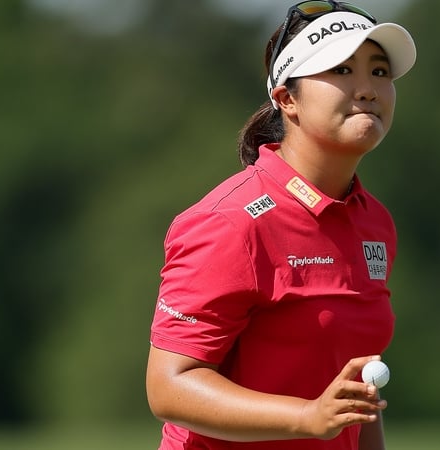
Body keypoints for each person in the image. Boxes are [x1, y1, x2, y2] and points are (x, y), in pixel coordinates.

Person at [146, 2, 417, 449]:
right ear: (287, 99)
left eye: (380, 72)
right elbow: (169, 386)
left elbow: (355, 392)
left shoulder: (374, 221)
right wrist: (307, 416)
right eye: (341, 70)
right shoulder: (231, 222)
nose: (368, 89)